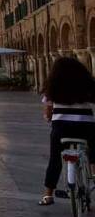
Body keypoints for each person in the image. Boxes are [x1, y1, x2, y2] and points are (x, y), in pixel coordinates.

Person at [38, 56, 95, 205]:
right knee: (93, 149)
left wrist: (48, 117)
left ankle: (48, 195)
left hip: (61, 128)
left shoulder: (52, 87)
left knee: (55, 158)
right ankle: (93, 175)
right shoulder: (88, 84)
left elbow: (48, 110)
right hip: (85, 127)